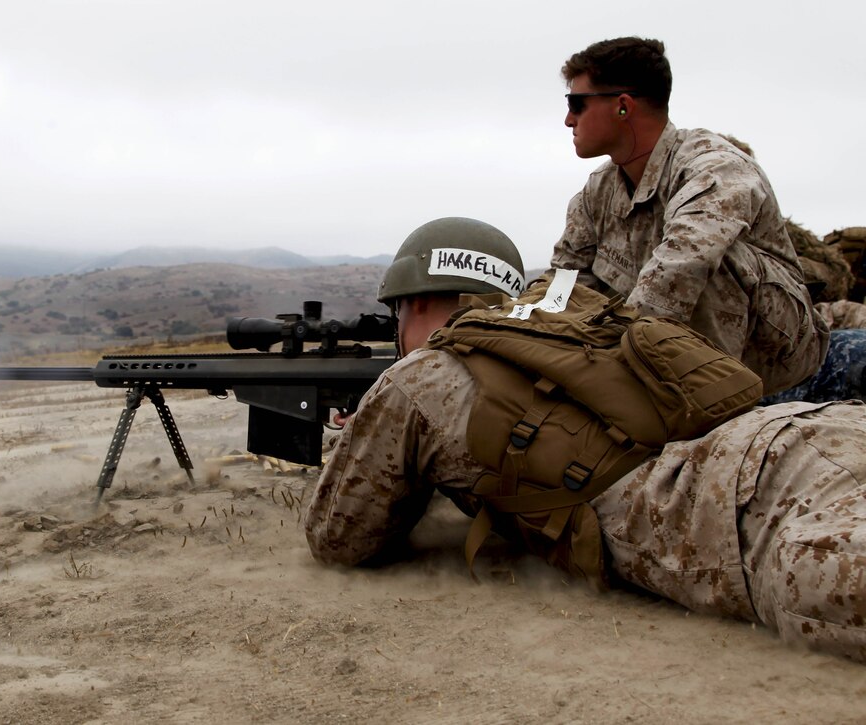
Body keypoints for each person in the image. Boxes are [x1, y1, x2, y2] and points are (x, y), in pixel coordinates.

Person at [305, 225, 866, 663]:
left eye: (395, 311)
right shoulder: (573, 317)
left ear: (417, 301)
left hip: (757, 509)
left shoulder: (416, 379)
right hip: (813, 429)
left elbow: (339, 538)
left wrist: (367, 438)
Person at [550, 37, 834, 398]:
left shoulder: (713, 166)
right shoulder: (598, 192)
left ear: (622, 107)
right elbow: (564, 283)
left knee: (709, 259)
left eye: (577, 103)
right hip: (660, 339)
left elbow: (679, 269)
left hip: (775, 351)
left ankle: (709, 409)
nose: (568, 119)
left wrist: (607, 371)